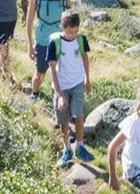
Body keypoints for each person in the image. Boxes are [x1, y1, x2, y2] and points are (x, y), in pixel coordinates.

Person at [47, 9, 94, 167]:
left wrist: (87, 79)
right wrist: (60, 94)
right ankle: (67, 149)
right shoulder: (55, 43)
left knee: (79, 115)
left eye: (75, 31)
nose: (72, 35)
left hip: (77, 83)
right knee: (63, 119)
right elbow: (52, 69)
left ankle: (80, 146)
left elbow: (85, 58)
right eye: (69, 31)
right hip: (61, 86)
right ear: (62, 26)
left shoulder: (81, 40)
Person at [27, 0, 72, 100]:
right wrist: (30, 45)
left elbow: (70, 16)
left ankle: (60, 99)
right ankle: (34, 94)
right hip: (43, 39)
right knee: (40, 73)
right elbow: (29, 21)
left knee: (61, 73)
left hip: (62, 39)